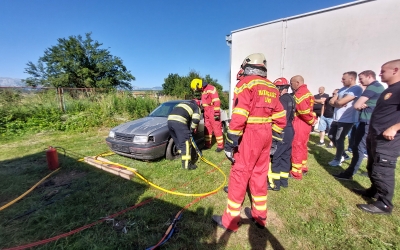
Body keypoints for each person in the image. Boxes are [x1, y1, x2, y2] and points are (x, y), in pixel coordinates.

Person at [212, 53, 286, 231]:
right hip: (266, 134)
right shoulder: (272, 87)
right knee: (260, 174)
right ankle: (260, 216)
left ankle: (230, 221)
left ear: (246, 67)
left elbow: (239, 115)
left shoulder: (245, 84)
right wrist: (274, 140)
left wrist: (230, 141)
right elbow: (280, 116)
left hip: (250, 135)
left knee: (239, 175)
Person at [354, 59, 400, 215]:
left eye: (383, 70)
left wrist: (394, 128)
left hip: (388, 139)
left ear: (395, 70)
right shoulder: (390, 89)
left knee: (383, 169)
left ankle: (384, 204)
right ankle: (374, 191)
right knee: (373, 166)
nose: (380, 73)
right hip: (376, 135)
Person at [333, 70, 384, 180]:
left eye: (361, 78)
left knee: (358, 148)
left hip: (367, 121)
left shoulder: (373, 87)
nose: (359, 81)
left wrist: (361, 105)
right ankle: (368, 172)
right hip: (367, 121)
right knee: (363, 148)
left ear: (369, 76)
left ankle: (349, 173)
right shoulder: (378, 87)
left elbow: (356, 105)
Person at [327, 71, 363, 167]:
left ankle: (338, 159)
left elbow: (339, 102)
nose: (341, 80)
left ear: (351, 79)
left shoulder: (356, 89)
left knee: (339, 138)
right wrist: (339, 102)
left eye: (343, 79)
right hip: (336, 118)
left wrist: (339, 102)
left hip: (347, 119)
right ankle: (343, 154)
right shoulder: (342, 89)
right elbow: (331, 101)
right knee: (331, 136)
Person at [268, 77, 295, 191]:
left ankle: (275, 183)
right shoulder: (291, 98)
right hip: (289, 130)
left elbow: (281, 117)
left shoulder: (282, 100)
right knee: (285, 156)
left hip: (282, 130)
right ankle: (284, 181)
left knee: (276, 156)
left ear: (280, 88)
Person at [289, 75, 317, 180]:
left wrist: (311, 120)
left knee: (297, 146)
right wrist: (312, 120)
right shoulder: (307, 91)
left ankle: (296, 172)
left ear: (297, 82)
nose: (291, 86)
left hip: (300, 123)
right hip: (305, 125)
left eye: (291, 83)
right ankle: (303, 167)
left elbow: (303, 111)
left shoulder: (300, 93)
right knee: (303, 146)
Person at [190, 78, 224, 152]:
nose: (198, 90)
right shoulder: (204, 91)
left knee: (216, 128)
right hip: (206, 111)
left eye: (197, 88)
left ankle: (220, 146)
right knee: (207, 129)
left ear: (198, 85)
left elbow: (216, 101)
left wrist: (216, 113)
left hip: (212, 110)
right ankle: (207, 145)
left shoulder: (211, 88)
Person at [167, 100, 201, 170]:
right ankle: (186, 165)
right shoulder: (196, 107)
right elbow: (196, 120)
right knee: (186, 143)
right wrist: (191, 129)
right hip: (179, 122)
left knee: (178, 141)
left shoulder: (182, 104)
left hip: (169, 121)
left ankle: (181, 155)